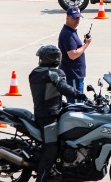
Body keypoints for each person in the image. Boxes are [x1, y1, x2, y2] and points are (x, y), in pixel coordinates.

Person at [28, 45, 87, 182]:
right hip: (48, 117)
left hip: (45, 112)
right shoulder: (54, 73)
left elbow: (48, 94)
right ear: (55, 59)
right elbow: (63, 88)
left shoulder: (35, 73)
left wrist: (65, 104)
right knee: (51, 150)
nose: (39, 60)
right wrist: (81, 95)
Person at [58, 7, 92, 104]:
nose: (77, 20)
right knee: (76, 105)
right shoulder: (67, 34)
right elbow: (72, 55)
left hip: (76, 74)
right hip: (73, 75)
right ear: (67, 17)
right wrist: (86, 45)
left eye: (78, 18)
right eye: (74, 18)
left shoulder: (71, 32)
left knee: (78, 102)